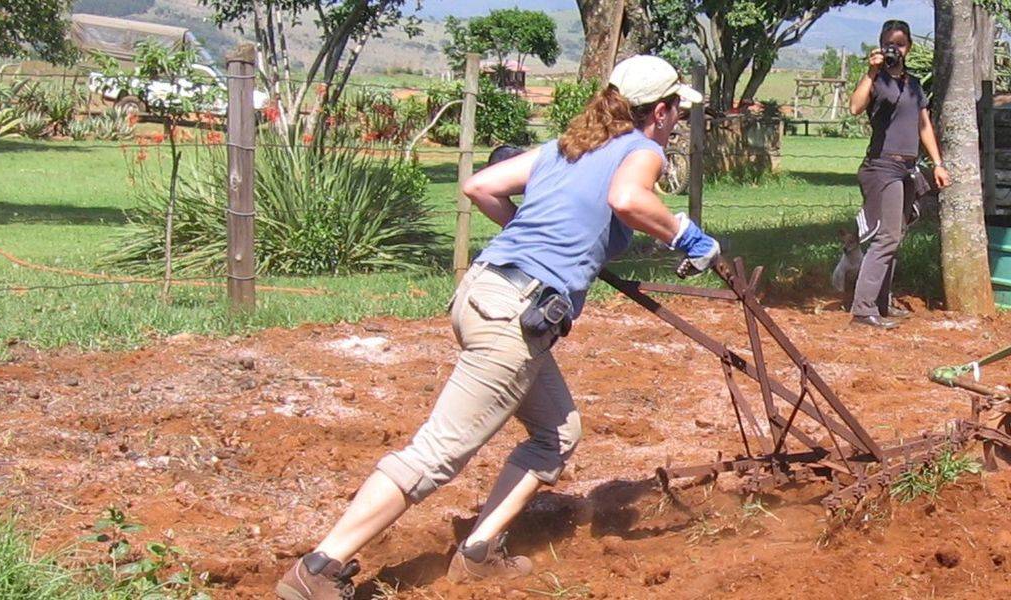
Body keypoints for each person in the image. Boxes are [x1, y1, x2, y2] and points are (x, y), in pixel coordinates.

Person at [273, 55, 713, 600]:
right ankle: (318, 568)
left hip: (483, 291)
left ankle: (478, 552)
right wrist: (687, 235)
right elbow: (628, 200)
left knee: (556, 433)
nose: (675, 124)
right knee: (437, 454)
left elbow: (481, 186)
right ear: (662, 110)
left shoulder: (568, 147)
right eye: (675, 112)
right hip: (516, 315)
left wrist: (533, 234)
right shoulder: (642, 149)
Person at [830, 19, 950, 330]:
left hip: (907, 168)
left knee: (896, 236)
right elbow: (855, 107)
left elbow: (924, 125)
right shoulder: (877, 80)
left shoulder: (913, 85)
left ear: (908, 47)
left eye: (900, 42)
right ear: (881, 45)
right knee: (887, 237)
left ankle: (881, 303)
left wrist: (937, 162)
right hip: (882, 166)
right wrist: (870, 72)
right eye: (889, 42)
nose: (894, 47)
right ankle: (863, 309)